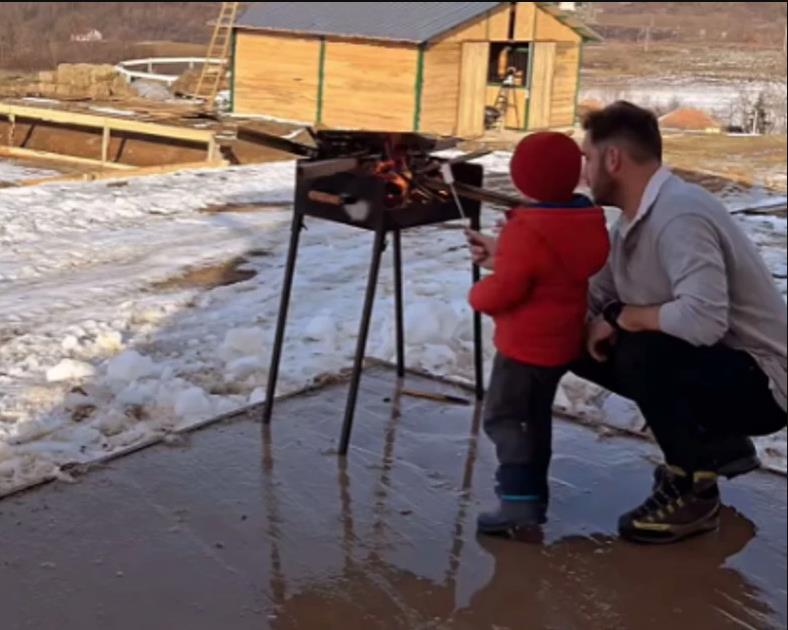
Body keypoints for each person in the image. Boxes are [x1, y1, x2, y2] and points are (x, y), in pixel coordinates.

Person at [467, 101, 787, 544]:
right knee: (576, 337)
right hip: (723, 369)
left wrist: (622, 318)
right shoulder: (632, 223)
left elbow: (703, 321)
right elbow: (592, 294)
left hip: (765, 385)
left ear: (613, 159)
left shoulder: (680, 215)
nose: (583, 173)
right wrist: (511, 260)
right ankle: (718, 447)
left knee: (642, 349)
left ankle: (692, 486)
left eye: (589, 158)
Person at [467, 132, 610, 536]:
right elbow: (546, 273)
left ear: (523, 180)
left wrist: (478, 293)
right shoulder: (582, 220)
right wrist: (504, 253)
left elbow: (507, 290)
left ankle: (518, 505)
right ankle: (532, 497)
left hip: (524, 349)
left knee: (505, 419)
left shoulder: (528, 229)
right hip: (559, 343)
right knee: (534, 420)